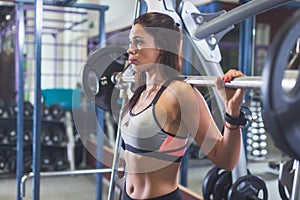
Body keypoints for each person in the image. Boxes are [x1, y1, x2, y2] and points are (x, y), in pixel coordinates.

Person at [120, 12, 245, 200]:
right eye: (130, 42)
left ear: (161, 47)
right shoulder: (140, 90)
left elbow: (225, 159)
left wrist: (232, 112)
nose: (131, 49)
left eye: (138, 42)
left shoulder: (180, 93)